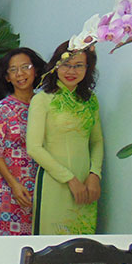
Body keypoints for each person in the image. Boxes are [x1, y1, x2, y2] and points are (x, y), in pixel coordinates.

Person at [27, 41, 103, 235]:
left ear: (88, 68)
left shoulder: (89, 100)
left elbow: (96, 141)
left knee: (81, 245)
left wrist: (95, 175)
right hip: (56, 183)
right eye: (66, 64)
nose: (71, 71)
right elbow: (34, 148)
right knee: (52, 245)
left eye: (78, 66)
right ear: (55, 66)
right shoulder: (42, 99)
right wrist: (70, 180)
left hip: (87, 184)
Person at [0, 48, 45, 236]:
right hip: (10, 185)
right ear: (7, 77)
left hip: (44, 182)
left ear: (35, 70)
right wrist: (14, 185)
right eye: (13, 70)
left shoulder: (46, 104)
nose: (20, 74)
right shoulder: (1, 109)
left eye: (25, 67)